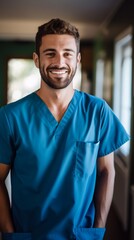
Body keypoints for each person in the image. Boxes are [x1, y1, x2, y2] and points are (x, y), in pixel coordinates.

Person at [0, 18, 129, 240]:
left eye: (67, 53)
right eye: (50, 53)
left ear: (77, 59)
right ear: (36, 59)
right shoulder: (10, 117)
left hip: (81, 235)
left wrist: (97, 229)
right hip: (29, 235)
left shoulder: (97, 112)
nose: (59, 62)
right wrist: (10, 234)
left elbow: (107, 171)